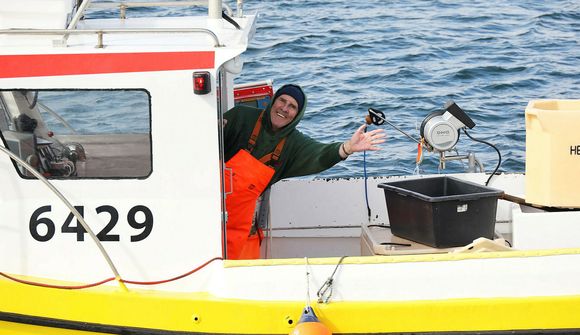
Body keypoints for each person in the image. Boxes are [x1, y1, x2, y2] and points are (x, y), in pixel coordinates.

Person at [223, 84, 385, 259]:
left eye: (292, 106)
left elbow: (320, 154)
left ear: (297, 114)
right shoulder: (240, 116)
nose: (284, 109)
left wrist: (348, 148)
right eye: (282, 101)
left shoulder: (294, 143)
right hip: (207, 208)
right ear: (273, 100)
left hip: (241, 228)